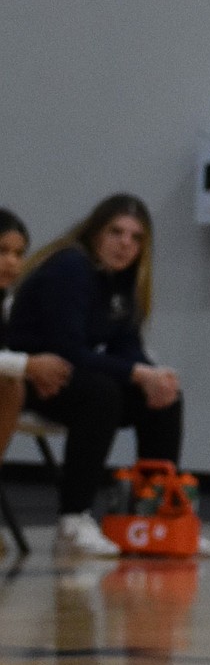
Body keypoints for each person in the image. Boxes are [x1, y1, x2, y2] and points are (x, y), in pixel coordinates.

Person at [10, 193, 210, 561]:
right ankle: (73, 519)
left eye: (136, 238)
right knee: (102, 394)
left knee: (163, 398)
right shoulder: (70, 267)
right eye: (116, 232)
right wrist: (138, 373)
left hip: (69, 375)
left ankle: (156, 514)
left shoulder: (123, 281)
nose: (125, 244)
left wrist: (153, 377)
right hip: (26, 376)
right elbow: (69, 350)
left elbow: (126, 347)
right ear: (95, 233)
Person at [0, 208, 73, 489]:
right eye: (2, 251)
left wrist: (33, 372)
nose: (11, 262)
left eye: (19, 254)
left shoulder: (8, 301)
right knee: (10, 384)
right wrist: (28, 366)